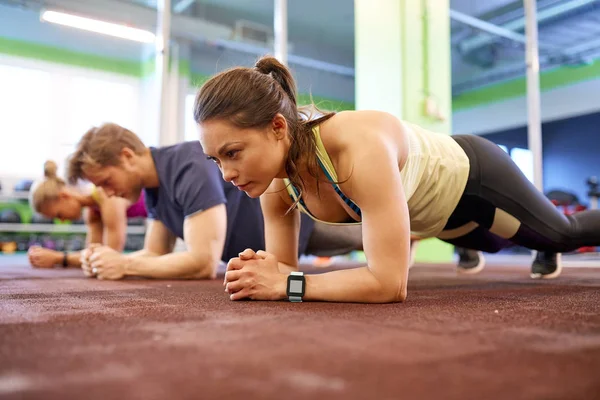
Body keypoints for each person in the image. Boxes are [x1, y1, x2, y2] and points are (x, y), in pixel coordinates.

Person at [194, 55, 600, 304]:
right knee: (490, 239)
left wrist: (290, 285)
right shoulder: (276, 185)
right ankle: (482, 243)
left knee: (558, 234)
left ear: (278, 127)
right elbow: (282, 270)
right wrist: (258, 273)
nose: (226, 174)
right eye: (215, 160)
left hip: (474, 178)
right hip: (437, 219)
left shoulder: (357, 148)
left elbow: (388, 284)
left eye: (233, 153)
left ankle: (540, 242)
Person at [66, 123, 362, 280]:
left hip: (301, 222)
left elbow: (202, 263)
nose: (106, 193)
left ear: (127, 157)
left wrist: (125, 267)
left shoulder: (187, 166)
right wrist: (111, 261)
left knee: (381, 234)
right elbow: (155, 253)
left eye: (105, 181)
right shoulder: (154, 188)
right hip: (273, 244)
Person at [27, 160, 147, 269]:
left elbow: (111, 255)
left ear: (64, 196)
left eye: (59, 215)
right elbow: (91, 254)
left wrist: (59, 258)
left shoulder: (107, 195)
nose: (63, 221)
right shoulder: (92, 211)